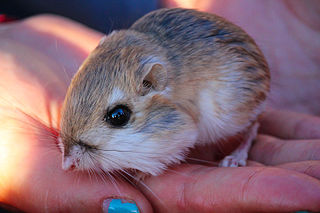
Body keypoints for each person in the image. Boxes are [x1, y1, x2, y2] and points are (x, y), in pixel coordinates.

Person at [0, 0, 319, 212]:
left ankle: (249, 135)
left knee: (224, 118)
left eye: (117, 116)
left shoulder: (157, 84)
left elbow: (181, 135)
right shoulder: (123, 61)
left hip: (227, 71)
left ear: (153, 83)